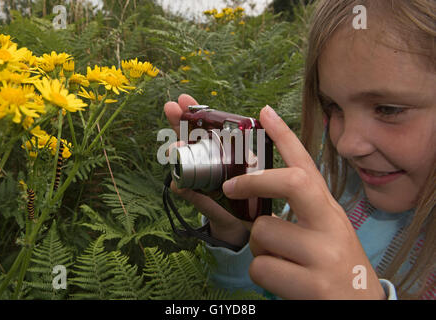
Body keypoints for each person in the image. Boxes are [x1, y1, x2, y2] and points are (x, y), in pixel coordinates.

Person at [163, 0, 435, 300]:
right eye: (333, 107)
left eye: (388, 109)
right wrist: (235, 230)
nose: (345, 145)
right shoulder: (332, 179)